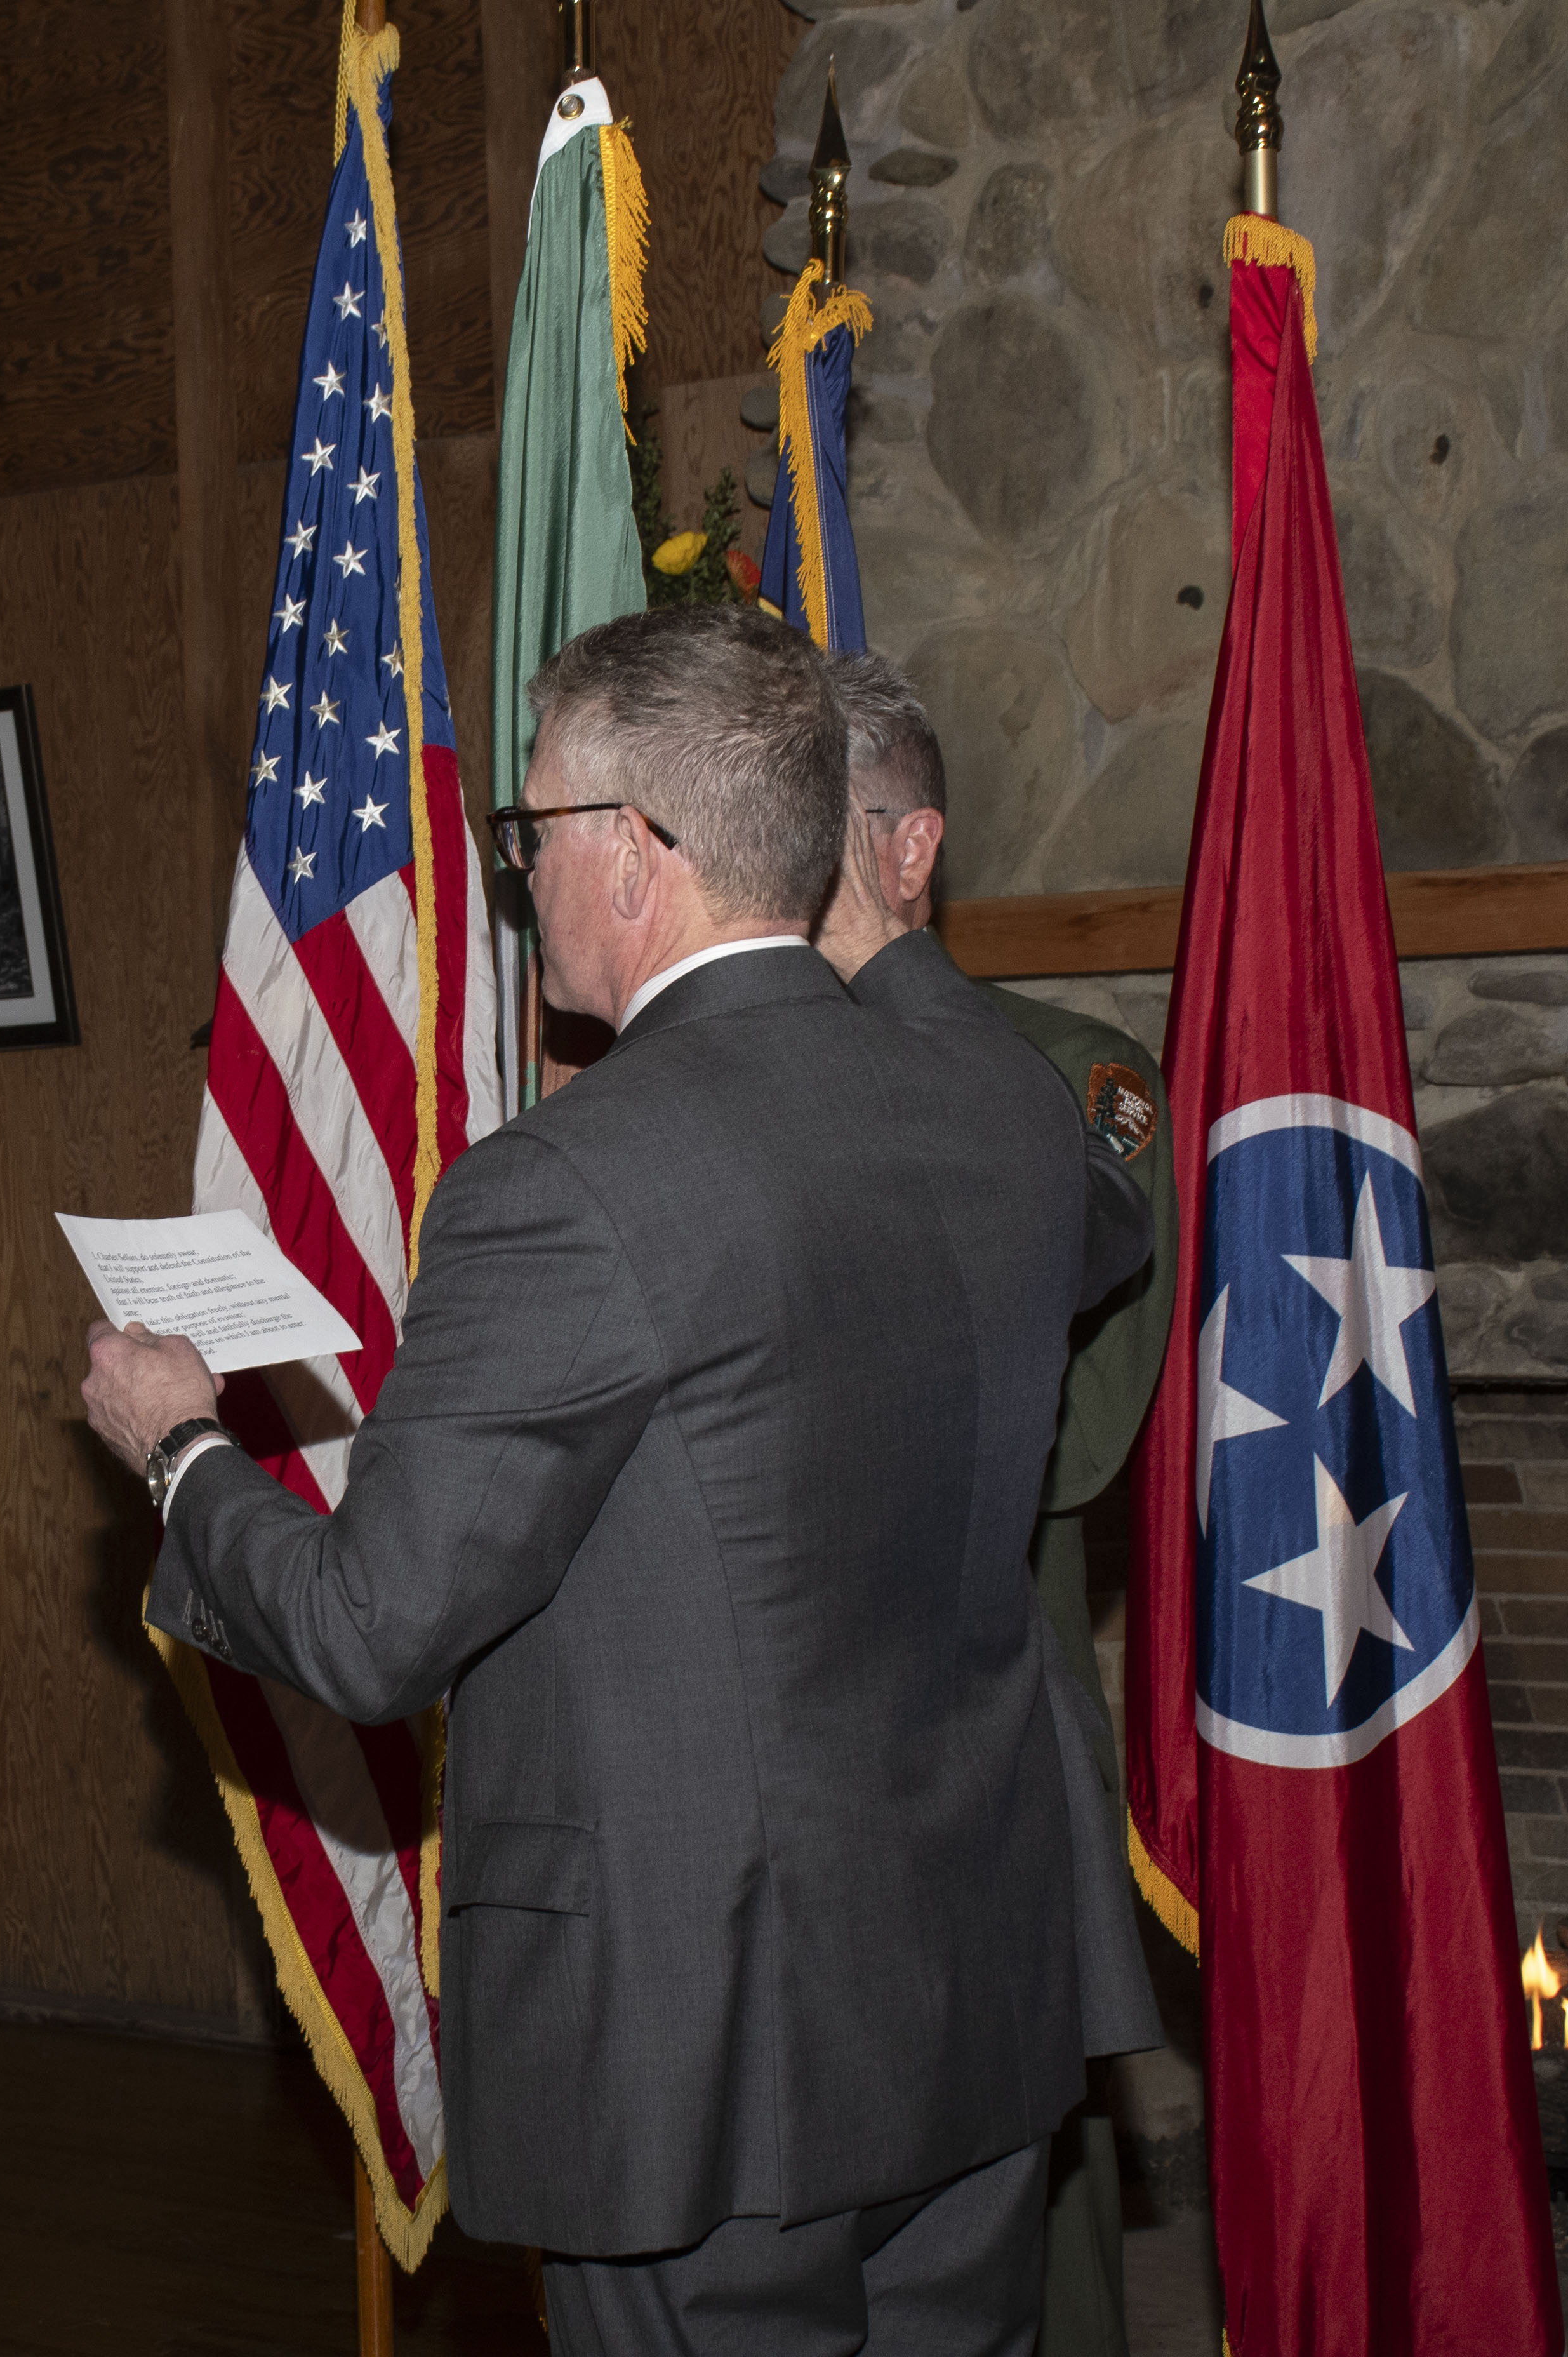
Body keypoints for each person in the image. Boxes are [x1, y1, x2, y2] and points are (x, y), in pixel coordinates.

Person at [82, 604, 1140, 2356]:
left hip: (707, 2047)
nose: (520, 878)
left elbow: (369, 1632)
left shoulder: (564, 1184)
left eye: (533, 831)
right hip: (968, 1992)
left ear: (638, 859)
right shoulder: (1013, 1115)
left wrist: (181, 1447)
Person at [818, 650, 1177, 2357]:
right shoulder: (708, 1089)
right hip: (769, 1776)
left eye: (812, 832)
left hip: (983, 1724)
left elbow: (1086, 1428)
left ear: (912, 851)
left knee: (1027, 2210)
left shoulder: (1069, 1078)